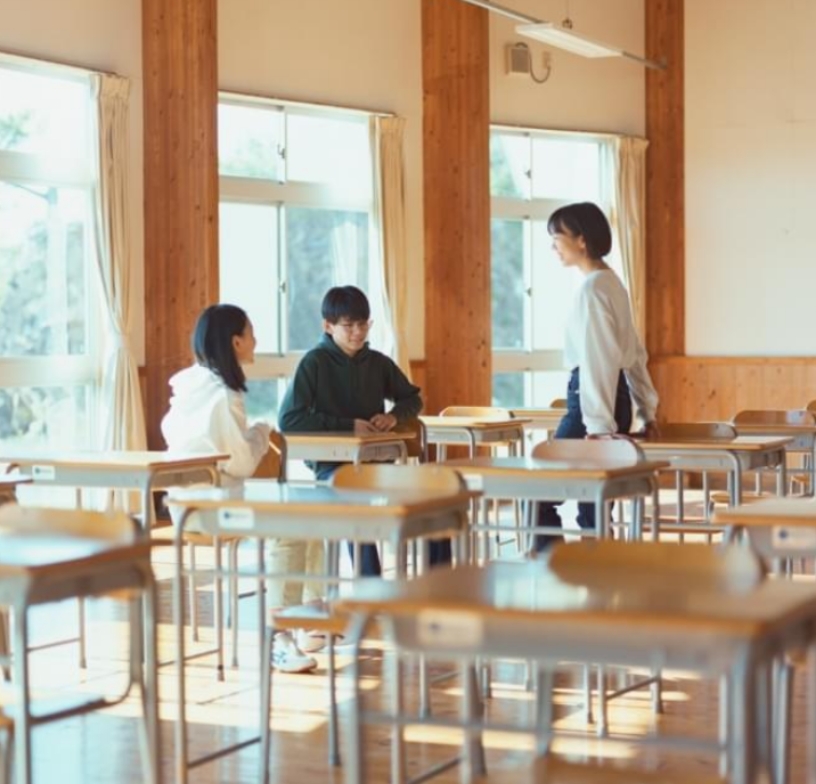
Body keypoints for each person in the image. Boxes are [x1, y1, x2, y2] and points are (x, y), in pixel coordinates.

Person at [161, 303, 319, 674]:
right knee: (295, 530)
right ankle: (281, 636)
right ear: (235, 341)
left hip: (185, 507)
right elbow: (242, 463)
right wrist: (262, 433)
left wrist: (253, 436)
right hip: (213, 509)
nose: (256, 340)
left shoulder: (189, 386)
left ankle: (311, 618)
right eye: (251, 334)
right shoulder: (224, 396)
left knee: (310, 521)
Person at [278, 285, 451, 574]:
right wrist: (348, 426)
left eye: (363, 324)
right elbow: (290, 419)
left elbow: (412, 398)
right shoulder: (314, 363)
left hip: (378, 462)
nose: (358, 332)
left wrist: (394, 416)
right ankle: (370, 591)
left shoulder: (378, 362)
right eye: (349, 326)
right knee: (355, 502)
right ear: (328, 326)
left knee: (437, 497)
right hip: (334, 468)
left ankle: (440, 582)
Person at [535, 202, 660, 552]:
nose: (553, 247)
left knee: (538, 490)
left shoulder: (593, 290)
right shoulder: (612, 283)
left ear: (581, 241)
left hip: (591, 405)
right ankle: (598, 566)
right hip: (609, 400)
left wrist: (598, 426)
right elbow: (634, 355)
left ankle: (553, 565)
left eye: (557, 237)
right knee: (596, 498)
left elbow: (598, 361)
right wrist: (646, 409)